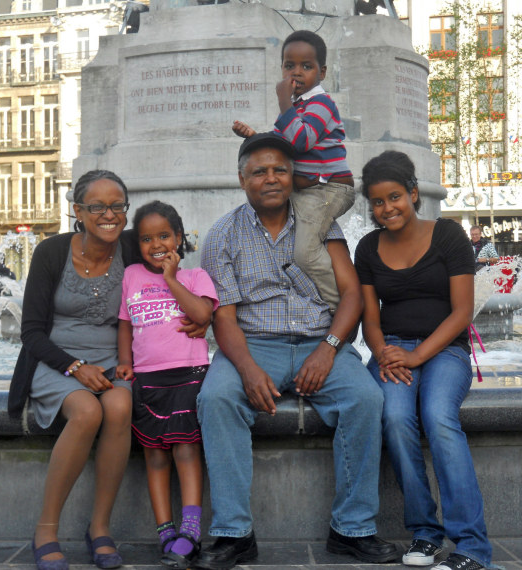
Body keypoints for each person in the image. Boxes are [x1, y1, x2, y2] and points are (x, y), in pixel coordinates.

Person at [195, 132, 398, 570]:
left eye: (279, 170)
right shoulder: (221, 235)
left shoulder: (321, 222)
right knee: (215, 398)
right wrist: (246, 369)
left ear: (293, 176)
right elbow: (223, 317)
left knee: (366, 398)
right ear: (242, 178)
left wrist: (328, 350)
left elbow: (350, 295)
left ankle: (352, 529)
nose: (270, 178)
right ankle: (234, 534)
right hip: (253, 345)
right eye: (259, 172)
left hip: (318, 341)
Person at [354, 151, 492, 570]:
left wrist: (415, 356)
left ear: (413, 194)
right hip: (393, 350)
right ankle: (426, 534)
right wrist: (383, 354)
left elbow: (461, 313)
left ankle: (473, 547)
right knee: (394, 419)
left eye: (394, 197)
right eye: (377, 202)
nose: (386, 208)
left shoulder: (448, 236)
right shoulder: (368, 248)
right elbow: (370, 319)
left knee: (438, 417)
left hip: (444, 352)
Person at [8, 170, 138, 570]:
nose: (109, 214)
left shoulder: (132, 249)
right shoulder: (51, 252)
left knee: (117, 408)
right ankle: (46, 529)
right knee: (86, 411)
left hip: (114, 359)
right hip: (56, 358)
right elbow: (30, 331)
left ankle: (99, 529)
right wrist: (75, 367)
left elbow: (159, 295)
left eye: (117, 205)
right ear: (78, 211)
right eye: (97, 206)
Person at [117, 201, 219, 569]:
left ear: (179, 237)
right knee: (155, 456)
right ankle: (165, 531)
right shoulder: (131, 274)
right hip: (148, 379)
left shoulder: (195, 277)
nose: (156, 244)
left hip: (187, 374)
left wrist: (171, 278)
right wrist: (126, 361)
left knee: (187, 452)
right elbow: (126, 322)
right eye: (146, 238)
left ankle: (191, 532)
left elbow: (202, 315)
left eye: (164, 235)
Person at [232, 30, 355, 313]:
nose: (296, 73)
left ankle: (341, 307)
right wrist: (252, 136)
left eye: (306, 66)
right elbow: (280, 145)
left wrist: (283, 100)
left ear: (321, 72)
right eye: (289, 66)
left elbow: (300, 140)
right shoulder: (295, 108)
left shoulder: (321, 104)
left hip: (329, 189)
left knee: (305, 252)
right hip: (307, 191)